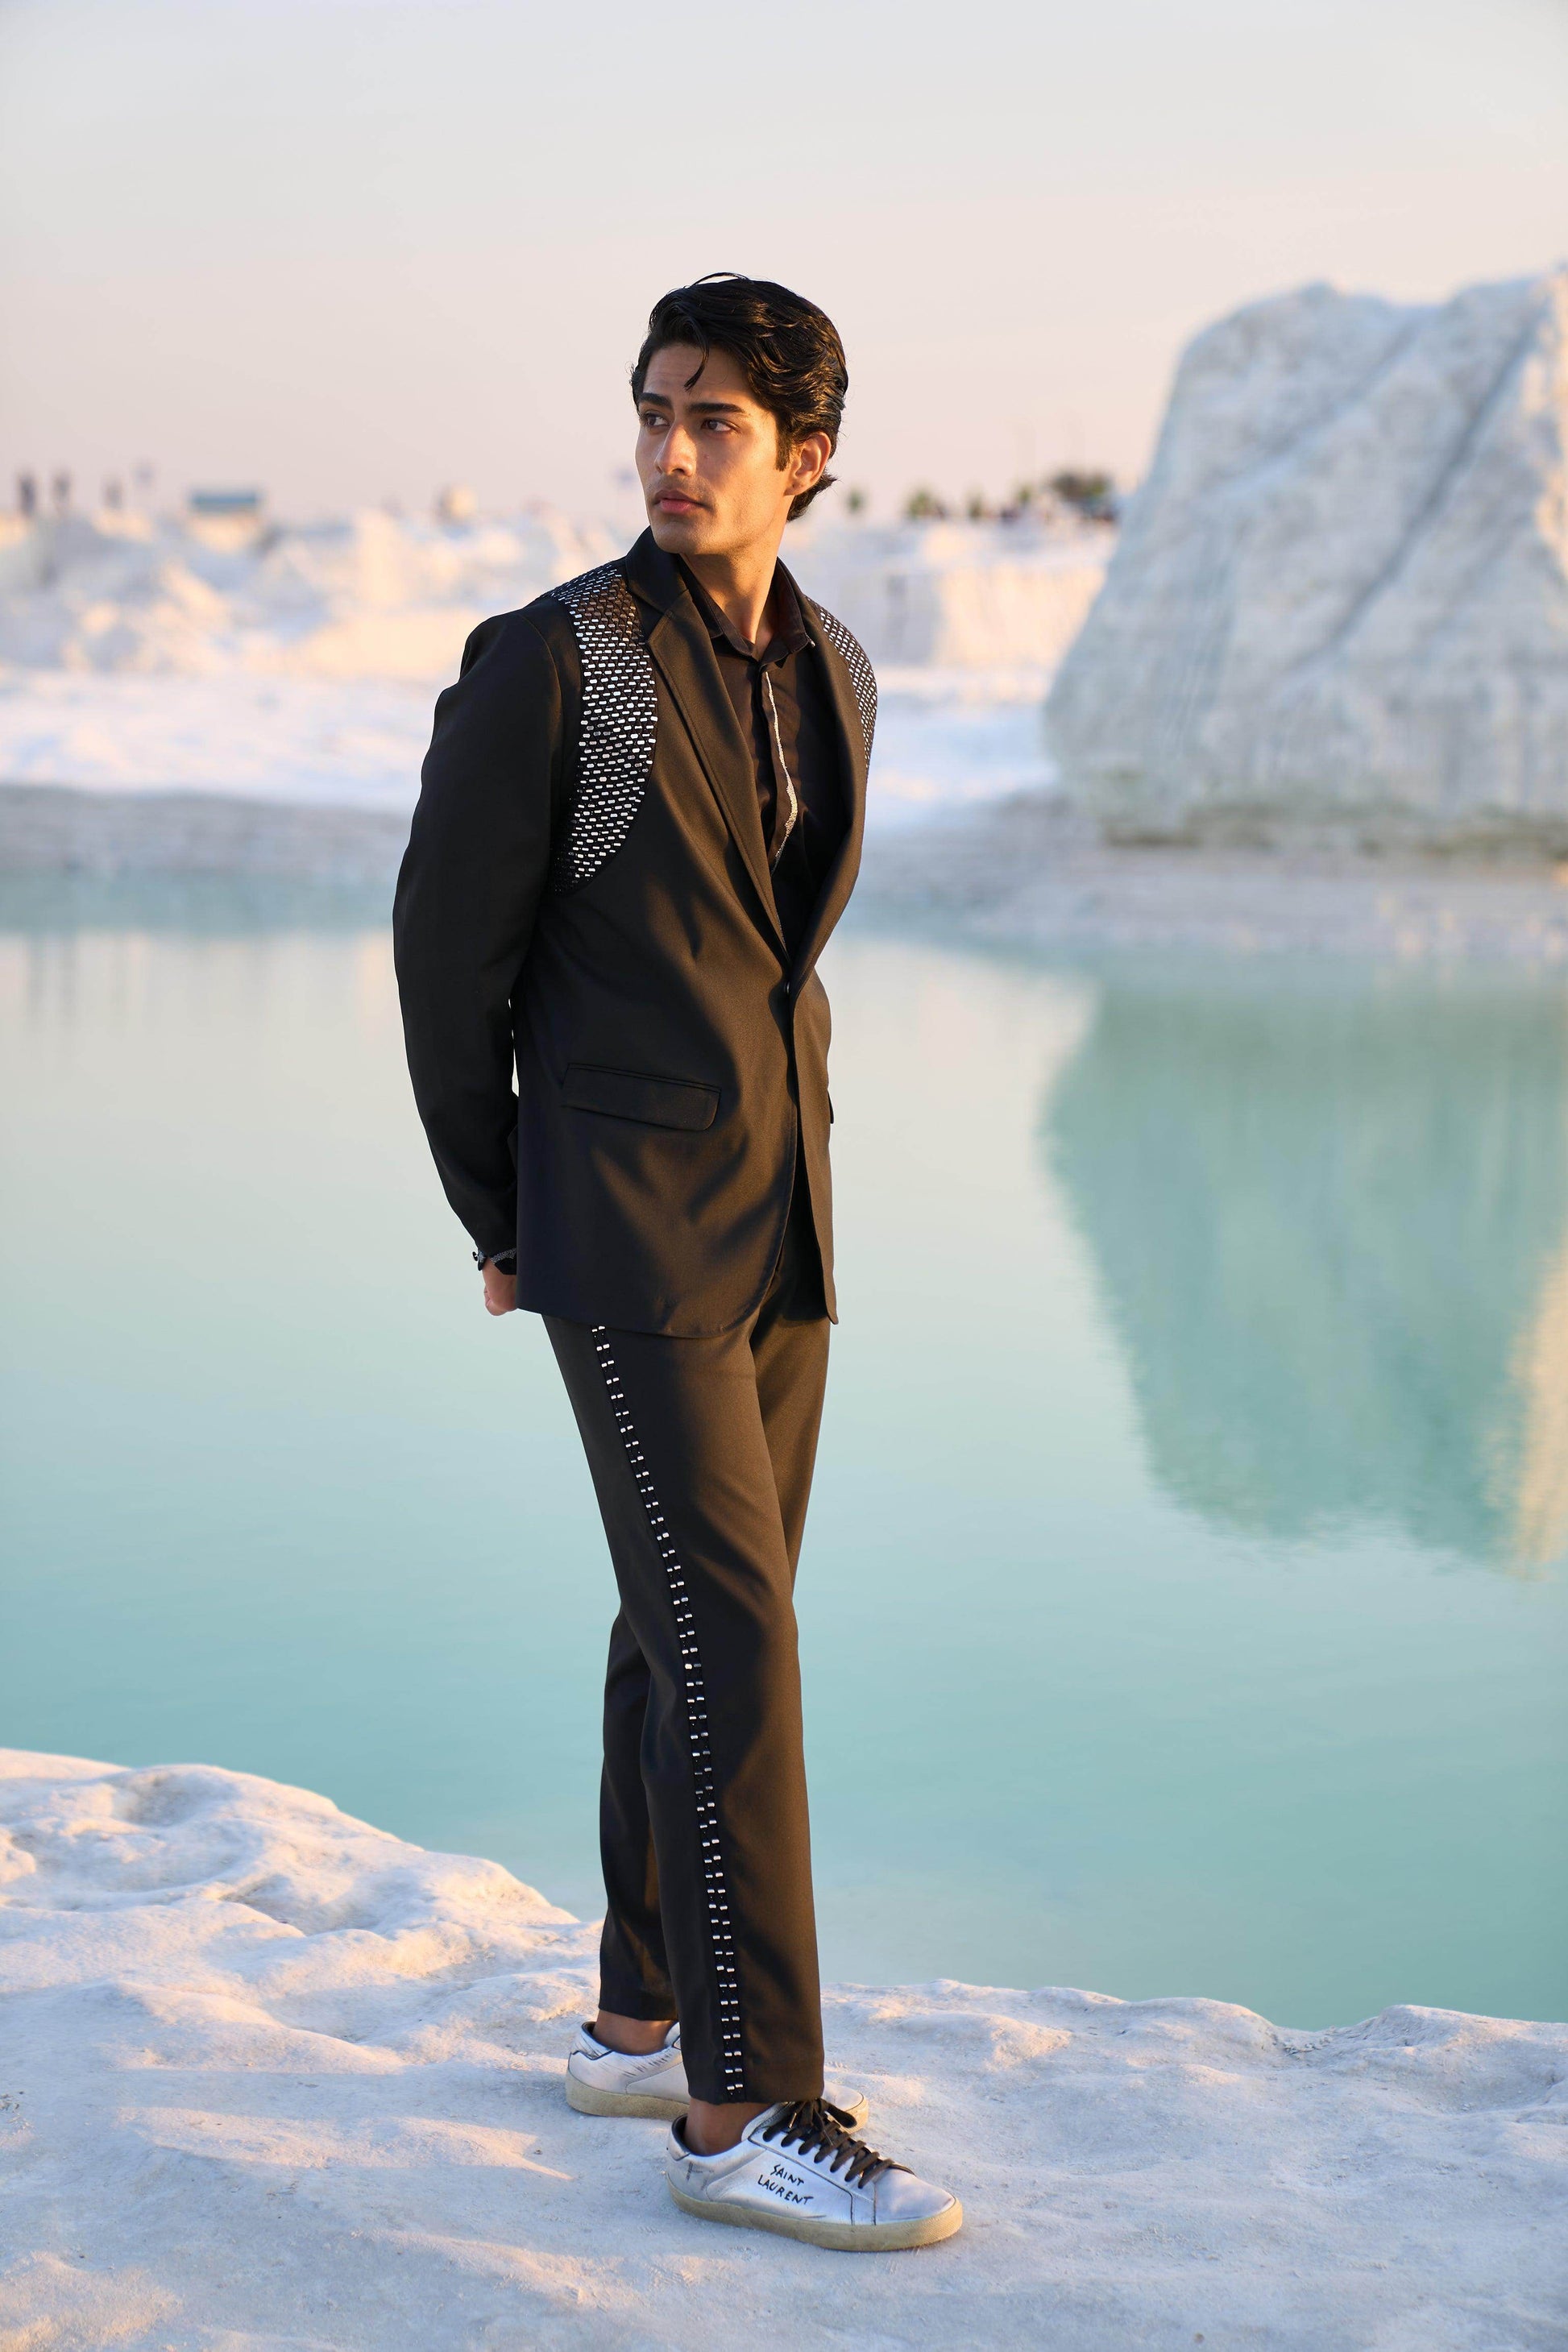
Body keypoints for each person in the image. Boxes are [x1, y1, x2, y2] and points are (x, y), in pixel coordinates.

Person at [393, 274, 960, 2251]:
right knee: (733, 1640)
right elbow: (445, 958)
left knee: (691, 1622)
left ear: (808, 457)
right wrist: (502, 1211)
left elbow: (774, 946)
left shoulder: (837, 668)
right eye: (654, 408)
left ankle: (640, 2020)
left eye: (716, 419)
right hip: (621, 1221)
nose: (671, 448)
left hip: (779, 1210)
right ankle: (742, 2109)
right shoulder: (561, 661)